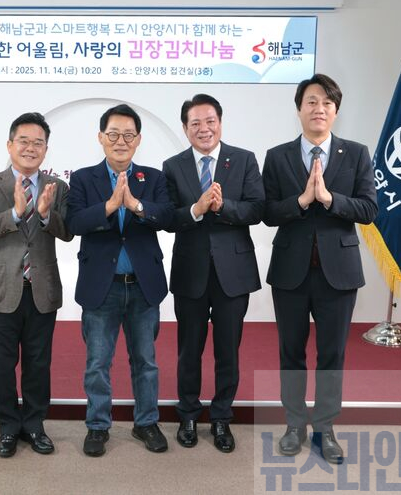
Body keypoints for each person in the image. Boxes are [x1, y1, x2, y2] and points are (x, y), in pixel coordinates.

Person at [261, 74, 377, 464]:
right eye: (311, 101)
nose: (319, 109)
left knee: (332, 354)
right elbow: (267, 212)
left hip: (338, 273)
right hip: (290, 273)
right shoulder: (277, 156)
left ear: (336, 111)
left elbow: (369, 209)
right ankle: (294, 424)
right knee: (290, 352)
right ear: (299, 109)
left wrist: (329, 199)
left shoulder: (356, 153)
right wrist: (301, 200)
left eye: (327, 102)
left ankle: (325, 429)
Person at [66, 103, 173, 457]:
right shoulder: (83, 178)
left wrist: (137, 205)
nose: (121, 141)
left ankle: (146, 422)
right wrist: (111, 206)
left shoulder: (153, 178)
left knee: (146, 361)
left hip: (143, 285)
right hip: (102, 286)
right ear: (101, 137)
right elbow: (74, 223)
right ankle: (98, 426)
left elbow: (166, 217)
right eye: (113, 134)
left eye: (128, 135)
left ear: (138, 139)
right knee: (97, 363)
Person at [162, 94, 264, 453]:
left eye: (210, 121)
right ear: (185, 128)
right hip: (190, 271)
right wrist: (196, 208)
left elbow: (258, 209)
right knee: (188, 350)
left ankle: (221, 417)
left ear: (220, 123)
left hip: (232, 273)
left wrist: (222, 207)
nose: (204, 129)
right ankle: (188, 415)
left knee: (228, 351)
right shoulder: (172, 166)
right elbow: (168, 218)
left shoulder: (244, 159)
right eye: (195, 123)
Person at [0, 112, 73, 458]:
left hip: (41, 289)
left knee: (38, 363)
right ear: (10, 145)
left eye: (38, 143)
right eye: (24, 141)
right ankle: (7, 427)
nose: (31, 148)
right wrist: (15, 213)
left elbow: (67, 231)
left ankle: (34, 424)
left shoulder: (58, 188)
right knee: (1, 365)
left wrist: (44, 214)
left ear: (46, 149)